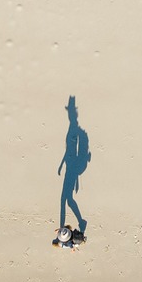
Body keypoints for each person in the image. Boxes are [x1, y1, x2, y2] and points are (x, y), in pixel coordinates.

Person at [56, 96, 90, 238]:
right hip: (71, 169)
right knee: (66, 199)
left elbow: (72, 150)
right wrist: (62, 163)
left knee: (65, 199)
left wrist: (65, 164)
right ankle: (77, 222)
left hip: (71, 170)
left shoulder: (74, 129)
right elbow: (70, 150)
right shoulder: (74, 129)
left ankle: (69, 225)